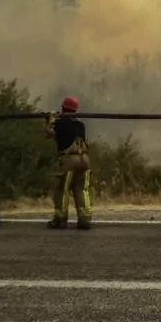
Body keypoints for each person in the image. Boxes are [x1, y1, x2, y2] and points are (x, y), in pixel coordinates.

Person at [45, 96, 93, 230]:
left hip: (69, 161)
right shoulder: (80, 124)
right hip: (85, 160)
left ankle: (60, 219)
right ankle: (84, 220)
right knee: (82, 190)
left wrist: (50, 121)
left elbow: (49, 134)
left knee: (62, 190)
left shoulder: (60, 123)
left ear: (63, 108)